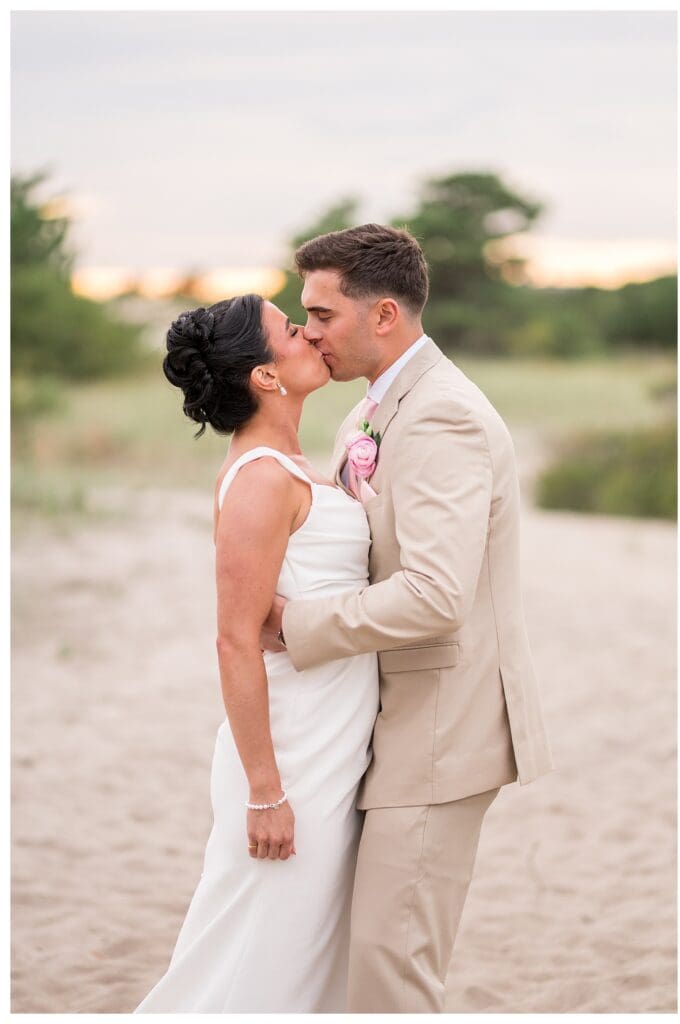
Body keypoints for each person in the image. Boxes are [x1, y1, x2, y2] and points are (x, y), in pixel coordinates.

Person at [262, 223, 554, 1013]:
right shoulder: (370, 412)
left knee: (394, 972)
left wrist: (298, 626)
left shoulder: (442, 416)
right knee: (365, 958)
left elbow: (434, 593)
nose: (310, 331)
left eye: (322, 315)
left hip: (440, 729)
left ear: (383, 314)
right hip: (386, 723)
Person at [133, 293, 379, 1012]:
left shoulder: (294, 464)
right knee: (257, 953)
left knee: (301, 951)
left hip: (334, 739)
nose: (310, 335)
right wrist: (266, 792)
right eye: (291, 331)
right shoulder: (263, 479)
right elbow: (235, 638)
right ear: (266, 378)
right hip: (293, 756)